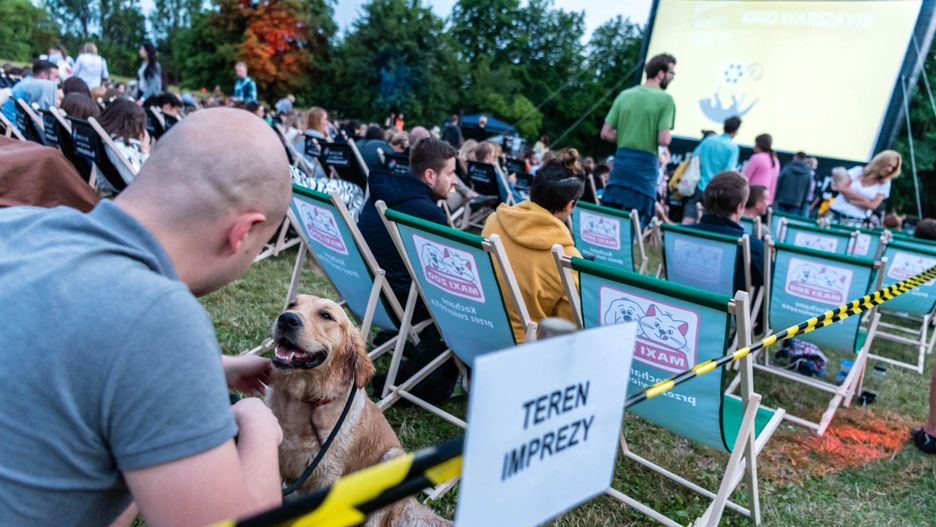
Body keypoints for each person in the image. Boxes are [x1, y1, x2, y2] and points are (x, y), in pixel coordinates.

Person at [0, 108, 288, 526]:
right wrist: (259, 426)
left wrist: (210, 369)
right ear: (242, 232)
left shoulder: (17, 225)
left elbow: (49, 342)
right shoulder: (159, 319)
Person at [357, 138, 460, 403]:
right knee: (456, 312)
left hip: (364, 292)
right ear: (430, 175)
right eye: (450, 173)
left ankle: (395, 343)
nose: (454, 181)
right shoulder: (429, 214)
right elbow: (443, 279)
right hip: (399, 305)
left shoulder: (382, 193)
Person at [482, 149, 585, 342]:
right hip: (520, 347)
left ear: (532, 190)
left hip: (476, 324)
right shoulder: (569, 259)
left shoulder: (494, 221)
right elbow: (566, 326)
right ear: (570, 205)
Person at [600, 53, 677, 228]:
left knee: (611, 219)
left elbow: (605, 133)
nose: (672, 77)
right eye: (671, 73)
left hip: (621, 166)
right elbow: (664, 139)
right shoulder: (665, 99)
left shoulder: (625, 95)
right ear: (660, 73)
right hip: (644, 170)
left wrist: (628, 136)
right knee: (636, 223)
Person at [686, 170, 764, 293]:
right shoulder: (752, 249)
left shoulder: (677, 235)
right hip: (726, 305)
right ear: (739, 207)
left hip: (680, 303)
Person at [683, 116, 741, 224]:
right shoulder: (733, 148)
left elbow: (695, 156)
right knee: (709, 222)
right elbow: (729, 171)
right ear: (736, 131)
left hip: (699, 184)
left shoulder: (709, 140)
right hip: (716, 191)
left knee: (690, 214)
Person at [829, 150, 901, 225]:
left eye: (893, 168)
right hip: (834, 213)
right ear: (881, 161)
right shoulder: (858, 171)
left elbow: (873, 205)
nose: (889, 169)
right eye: (889, 165)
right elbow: (841, 187)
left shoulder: (885, 184)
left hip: (856, 220)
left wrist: (849, 198)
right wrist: (866, 201)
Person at [97, 98, 150, 195]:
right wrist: (145, 150)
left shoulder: (104, 139)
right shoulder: (120, 148)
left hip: (111, 192)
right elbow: (144, 184)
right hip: (131, 197)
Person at [1, 59, 59, 125]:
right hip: (13, 124)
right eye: (55, 77)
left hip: (8, 121)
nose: (57, 82)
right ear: (44, 75)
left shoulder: (27, 82)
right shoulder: (34, 85)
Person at [742, 133, 780, 204]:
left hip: (751, 197)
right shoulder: (775, 160)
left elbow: (745, 179)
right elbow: (774, 182)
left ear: (758, 145)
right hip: (766, 200)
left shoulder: (756, 158)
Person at [773, 152, 813, 216]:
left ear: (795, 157)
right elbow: (807, 189)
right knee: (791, 220)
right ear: (804, 159)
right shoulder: (808, 172)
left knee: (779, 220)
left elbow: (779, 183)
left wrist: (775, 198)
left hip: (782, 200)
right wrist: (803, 203)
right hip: (797, 203)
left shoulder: (787, 168)